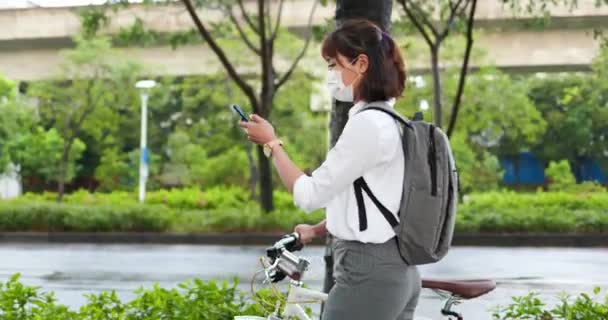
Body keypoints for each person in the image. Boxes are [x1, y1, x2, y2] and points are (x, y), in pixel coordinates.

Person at [239, 19, 421, 320]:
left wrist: (271, 144)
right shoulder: (392, 122)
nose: (330, 74)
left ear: (360, 64)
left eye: (333, 64)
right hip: (398, 271)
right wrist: (316, 230)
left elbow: (308, 195)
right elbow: (374, 202)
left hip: (368, 274)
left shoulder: (368, 125)